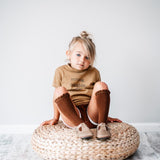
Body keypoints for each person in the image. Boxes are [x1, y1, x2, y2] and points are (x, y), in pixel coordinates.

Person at [41, 31, 122, 140]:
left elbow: (99, 98)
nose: (82, 60)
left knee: (101, 85)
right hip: (73, 115)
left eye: (87, 57)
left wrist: (105, 116)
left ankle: (102, 126)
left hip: (91, 113)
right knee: (59, 90)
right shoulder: (60, 71)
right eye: (78, 54)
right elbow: (56, 97)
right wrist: (55, 118)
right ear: (68, 54)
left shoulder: (94, 72)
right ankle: (81, 127)